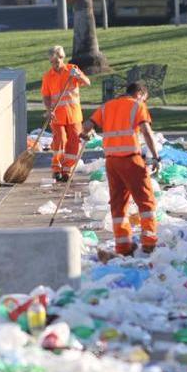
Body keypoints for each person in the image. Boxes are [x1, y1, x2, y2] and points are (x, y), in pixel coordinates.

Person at [83, 81, 161, 256]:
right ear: (139, 93)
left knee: (118, 205)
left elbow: (87, 125)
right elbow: (146, 131)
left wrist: (84, 134)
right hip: (131, 160)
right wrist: (155, 156)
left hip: (112, 162)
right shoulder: (138, 106)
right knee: (145, 200)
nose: (145, 102)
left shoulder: (107, 107)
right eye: (145, 99)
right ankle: (149, 241)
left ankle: (123, 246)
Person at [41, 45, 91, 182]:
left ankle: (67, 170)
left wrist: (79, 76)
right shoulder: (48, 77)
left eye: (56, 62)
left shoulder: (72, 70)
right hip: (57, 115)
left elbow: (88, 82)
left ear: (62, 58)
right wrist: (48, 110)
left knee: (74, 142)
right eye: (51, 62)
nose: (54, 65)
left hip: (74, 115)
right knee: (60, 140)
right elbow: (46, 96)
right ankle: (56, 167)